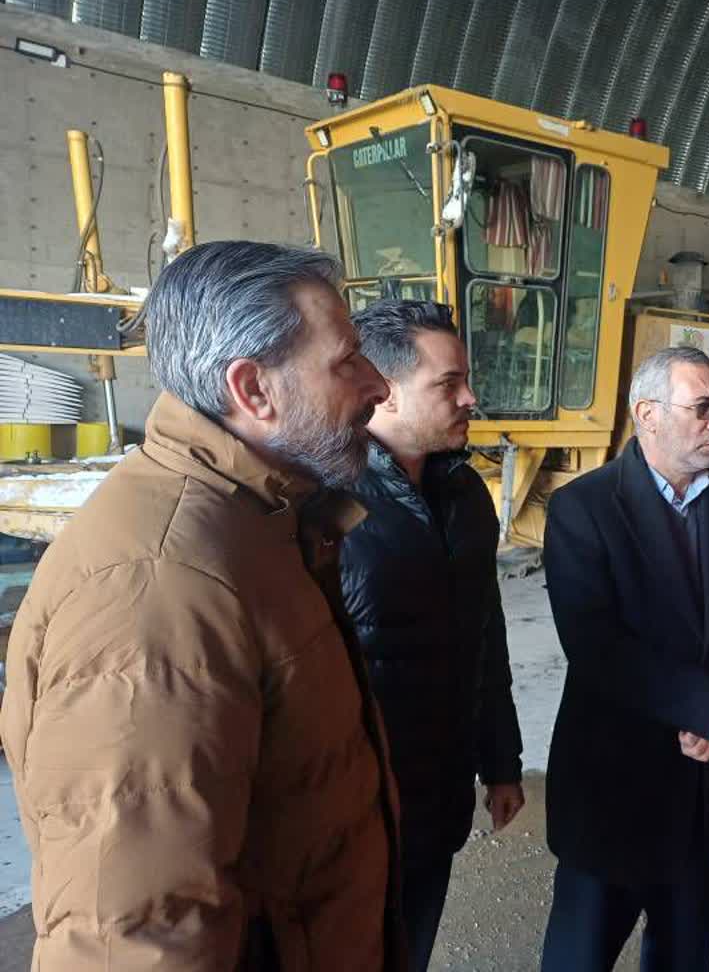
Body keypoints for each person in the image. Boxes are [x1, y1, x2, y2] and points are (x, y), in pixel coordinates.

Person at [0, 241, 406, 969]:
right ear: (253, 390)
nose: (378, 385)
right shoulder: (160, 589)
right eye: (347, 361)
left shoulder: (261, 518)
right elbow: (131, 937)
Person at [539, 346, 709, 972]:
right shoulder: (584, 507)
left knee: (683, 954)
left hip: (700, 790)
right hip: (614, 788)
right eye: (702, 408)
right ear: (647, 414)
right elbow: (596, 646)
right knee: (579, 955)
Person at [339, 299, 524, 972]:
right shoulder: (325, 500)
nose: (470, 397)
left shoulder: (466, 494)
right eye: (448, 383)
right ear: (382, 391)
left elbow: (485, 631)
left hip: (438, 795)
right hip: (353, 811)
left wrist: (500, 760)